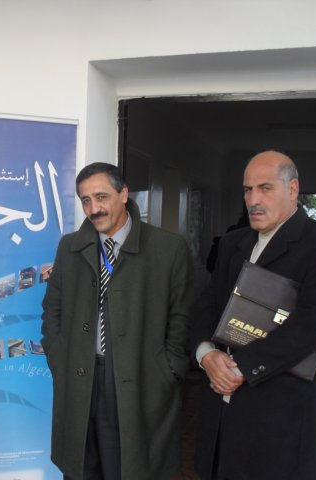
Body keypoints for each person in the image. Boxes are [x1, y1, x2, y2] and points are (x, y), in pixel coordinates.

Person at [191, 150, 316, 480]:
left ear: (293, 189)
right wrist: (206, 355)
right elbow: (207, 305)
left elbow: (313, 325)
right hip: (220, 418)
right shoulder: (233, 242)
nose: (253, 200)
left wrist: (239, 368)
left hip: (278, 423)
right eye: (247, 190)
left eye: (265, 188)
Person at [41, 162, 193, 479]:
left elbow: (181, 316)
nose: (93, 209)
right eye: (85, 200)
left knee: (127, 467)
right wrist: (59, 358)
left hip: (138, 377)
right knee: (82, 466)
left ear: (124, 194)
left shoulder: (168, 248)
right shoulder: (69, 247)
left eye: (101, 197)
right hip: (80, 377)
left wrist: (168, 369)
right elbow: (52, 309)